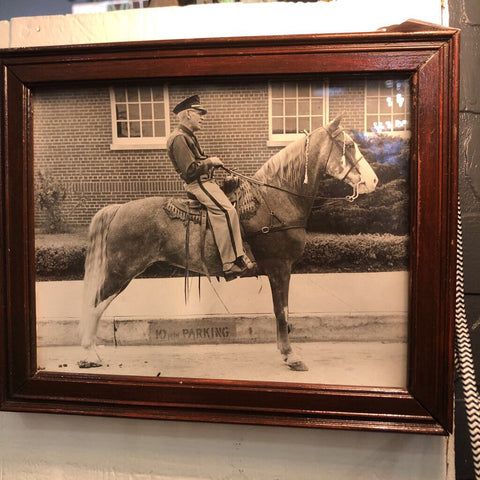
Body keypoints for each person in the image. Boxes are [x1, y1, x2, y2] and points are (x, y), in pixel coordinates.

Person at [166, 95, 255, 280]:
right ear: (189, 114)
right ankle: (230, 264)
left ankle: (239, 253)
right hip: (198, 184)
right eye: (200, 113)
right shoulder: (179, 138)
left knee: (232, 206)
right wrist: (210, 161)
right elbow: (190, 171)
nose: (203, 117)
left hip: (206, 182)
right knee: (227, 211)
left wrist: (213, 165)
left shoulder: (188, 136)